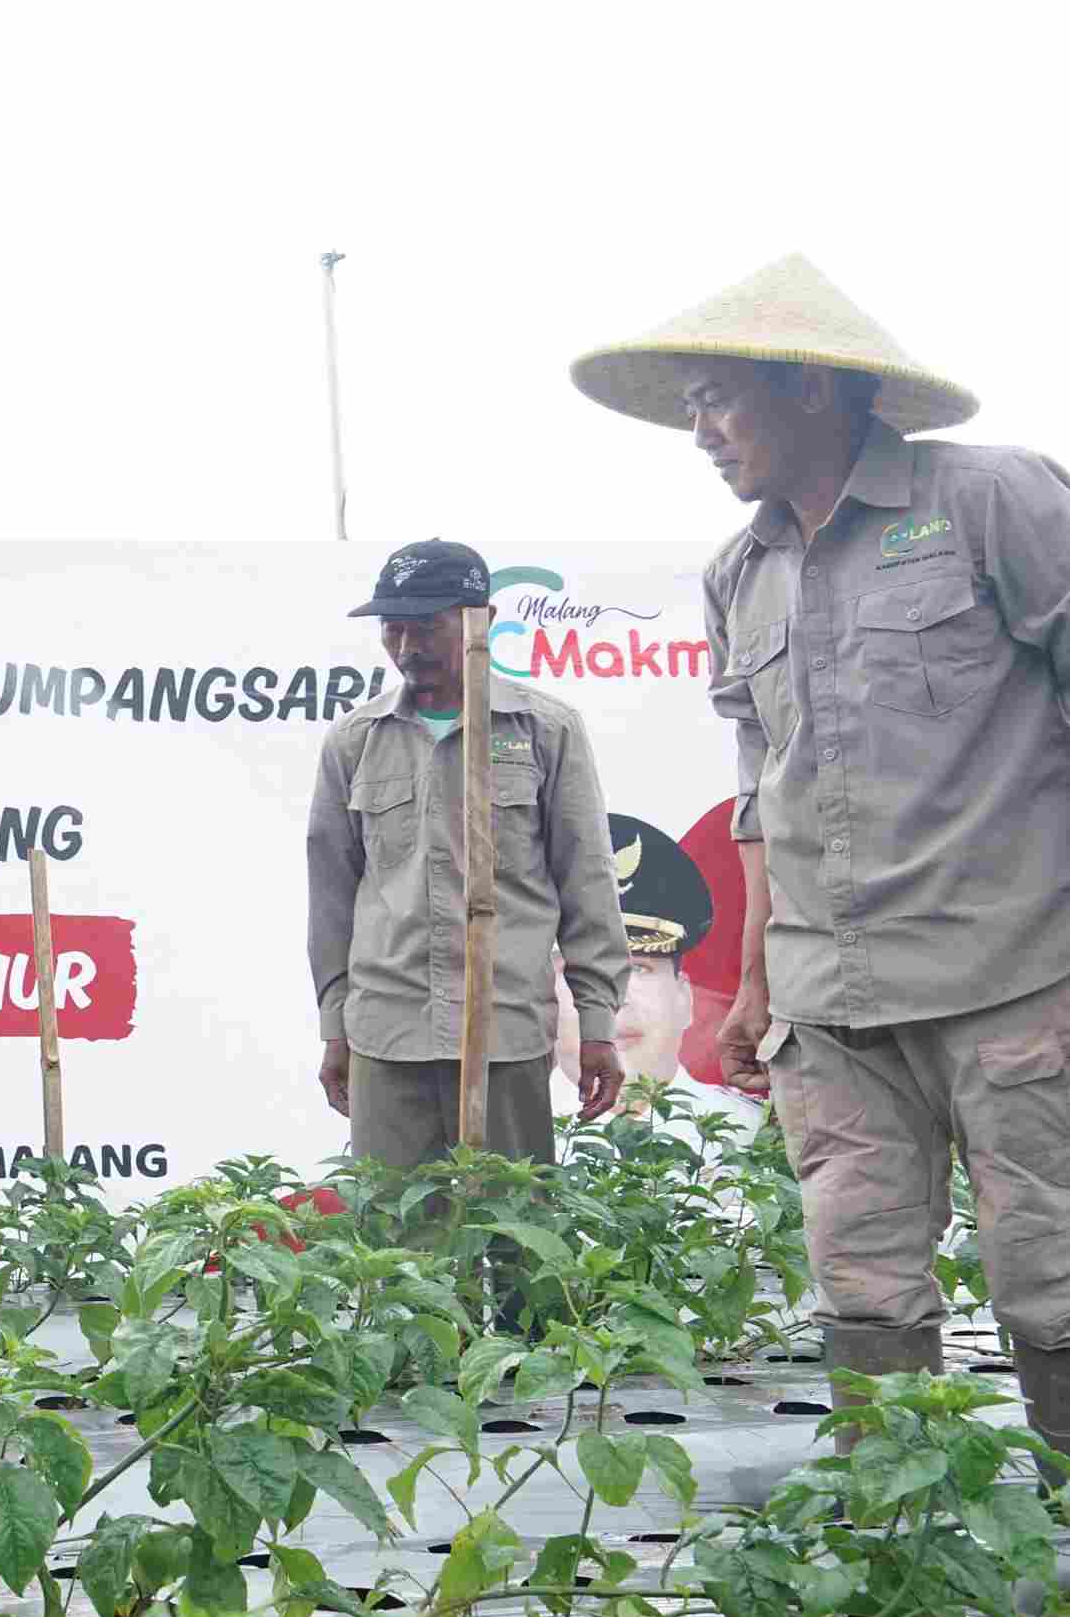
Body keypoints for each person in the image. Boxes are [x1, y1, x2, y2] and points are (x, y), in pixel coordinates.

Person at [573, 253, 1070, 1449]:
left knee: (1051, 1267)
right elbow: (764, 797)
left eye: (717, 397)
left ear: (810, 387)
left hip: (1011, 974)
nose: (700, 430)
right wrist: (749, 985)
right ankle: (903, 1542)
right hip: (825, 999)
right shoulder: (740, 573)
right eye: (690, 403)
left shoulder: (993, 501)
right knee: (861, 1277)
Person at [309, 539, 629, 1172]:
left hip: (504, 1031)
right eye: (392, 630)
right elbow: (331, 897)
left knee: (518, 1235)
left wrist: (596, 1022)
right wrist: (334, 1024)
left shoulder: (543, 729)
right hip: (387, 1032)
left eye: (426, 628)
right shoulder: (355, 740)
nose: (407, 649)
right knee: (397, 1247)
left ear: (477, 621)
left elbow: (586, 880)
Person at [550, 815, 763, 1138]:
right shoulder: (501, 1145)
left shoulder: (750, 1138)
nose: (615, 998)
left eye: (639, 968)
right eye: (581, 972)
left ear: (685, 999)